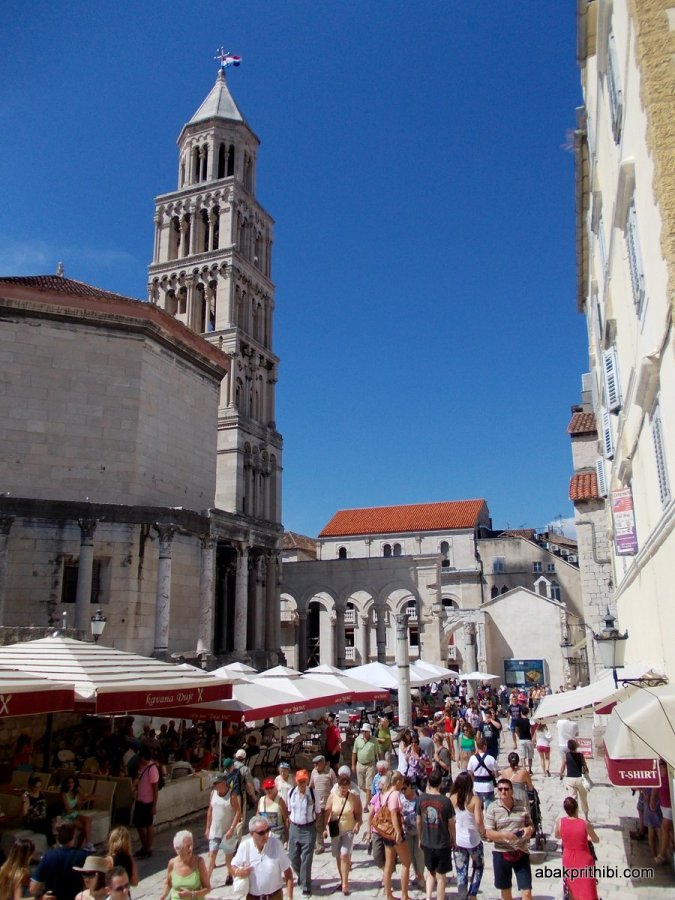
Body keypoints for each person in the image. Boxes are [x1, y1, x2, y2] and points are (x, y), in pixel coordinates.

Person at [484, 778, 534, 900]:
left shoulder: (522, 806)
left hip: (520, 850)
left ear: (512, 791)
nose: (503, 791)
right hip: (501, 853)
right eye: (500, 789)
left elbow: (530, 825)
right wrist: (504, 835)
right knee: (506, 891)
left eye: (506, 789)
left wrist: (529, 830)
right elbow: (488, 833)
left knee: (527, 891)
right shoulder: (492, 808)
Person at [230, 815, 294, 900]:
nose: (266, 835)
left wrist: (290, 897)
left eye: (267, 830)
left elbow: (288, 872)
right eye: (261, 833)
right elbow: (232, 866)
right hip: (253, 897)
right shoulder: (245, 846)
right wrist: (239, 872)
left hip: (275, 896)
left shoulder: (276, 844)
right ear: (251, 834)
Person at [416, 769, 456, 900]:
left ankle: (428, 897)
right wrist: (453, 838)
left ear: (428, 782)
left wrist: (420, 837)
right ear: (440, 783)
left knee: (430, 872)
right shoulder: (445, 801)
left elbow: (418, 821)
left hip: (427, 841)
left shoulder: (420, 799)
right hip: (442, 842)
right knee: (441, 876)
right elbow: (451, 823)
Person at [323, 772, 362, 894]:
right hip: (335, 830)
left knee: (345, 854)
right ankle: (342, 879)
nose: (344, 790)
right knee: (338, 856)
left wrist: (357, 824)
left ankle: (345, 883)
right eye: (342, 787)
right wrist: (324, 828)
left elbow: (358, 813)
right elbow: (327, 812)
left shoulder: (353, 797)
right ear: (338, 786)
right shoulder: (333, 796)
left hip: (348, 830)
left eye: (346, 787)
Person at [554, 796, 599, 900]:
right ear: (577, 808)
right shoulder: (585, 824)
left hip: (568, 858)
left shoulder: (560, 822)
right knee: (587, 889)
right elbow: (596, 839)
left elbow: (557, 835)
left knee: (571, 888)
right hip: (583, 858)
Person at [29, 821, 88, 900]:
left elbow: (33, 889)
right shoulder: (84, 856)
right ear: (74, 836)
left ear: (57, 837)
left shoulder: (48, 857)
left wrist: (41, 897)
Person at [450, 771, 485, 900]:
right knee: (479, 866)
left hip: (458, 840)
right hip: (473, 840)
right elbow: (479, 821)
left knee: (461, 870)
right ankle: (473, 894)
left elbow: (451, 820)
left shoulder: (452, 798)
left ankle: (462, 895)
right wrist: (483, 831)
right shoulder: (475, 800)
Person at [380, 770, 412, 900]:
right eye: (402, 782)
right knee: (406, 862)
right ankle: (404, 895)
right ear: (398, 782)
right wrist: (398, 832)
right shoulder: (394, 794)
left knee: (389, 864)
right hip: (394, 831)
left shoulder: (385, 793)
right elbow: (393, 813)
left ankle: (389, 894)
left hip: (386, 832)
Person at [205, 773, 241, 883]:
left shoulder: (231, 795)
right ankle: (206, 881)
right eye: (214, 784)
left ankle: (229, 875)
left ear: (224, 783)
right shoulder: (213, 794)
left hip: (227, 832)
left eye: (216, 783)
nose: (214, 786)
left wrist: (231, 829)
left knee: (228, 857)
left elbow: (238, 812)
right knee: (212, 855)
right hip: (214, 831)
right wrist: (207, 827)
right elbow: (210, 810)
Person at [287, 768, 317, 896]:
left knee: (306, 859)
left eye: (304, 781)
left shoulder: (313, 793)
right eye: (300, 781)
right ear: (296, 781)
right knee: (293, 857)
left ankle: (306, 885)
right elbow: (289, 810)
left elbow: (318, 811)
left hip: (308, 828)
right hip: (294, 827)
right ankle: (301, 875)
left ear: (307, 781)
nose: (302, 784)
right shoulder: (291, 793)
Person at [160, 829, 210, 900]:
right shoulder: (172, 863)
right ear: (178, 849)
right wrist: (163, 895)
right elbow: (168, 883)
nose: (190, 848)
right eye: (187, 846)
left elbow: (208, 888)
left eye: (191, 845)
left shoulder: (199, 862)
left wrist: (192, 894)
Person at [399, 777, 424, 889]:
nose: (403, 791)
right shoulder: (400, 797)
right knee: (411, 855)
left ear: (410, 786)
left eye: (405, 788)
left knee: (419, 854)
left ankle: (421, 876)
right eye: (401, 789)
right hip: (406, 831)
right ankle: (417, 875)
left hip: (419, 830)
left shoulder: (418, 794)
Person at [309, 755, 337, 853]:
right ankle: (320, 846)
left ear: (323, 763)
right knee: (318, 826)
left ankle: (336, 844)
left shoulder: (330, 771)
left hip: (329, 804)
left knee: (333, 824)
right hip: (318, 805)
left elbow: (335, 786)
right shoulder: (313, 772)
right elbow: (311, 786)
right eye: (314, 764)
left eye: (317, 763)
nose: (315, 765)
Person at [60, 775, 94, 850]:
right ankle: (81, 846)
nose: (70, 784)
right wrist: (75, 808)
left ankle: (87, 843)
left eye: (72, 782)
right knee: (84, 827)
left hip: (74, 813)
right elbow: (67, 810)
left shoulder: (76, 794)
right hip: (66, 815)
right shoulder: (63, 794)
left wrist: (81, 803)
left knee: (88, 820)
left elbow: (78, 808)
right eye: (68, 782)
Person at [559, 739, 590, 818]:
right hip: (580, 779)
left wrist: (561, 775)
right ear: (576, 747)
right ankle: (586, 817)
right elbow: (585, 768)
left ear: (568, 747)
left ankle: (575, 817)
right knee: (583, 799)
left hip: (570, 779)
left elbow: (562, 767)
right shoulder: (580, 755)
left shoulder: (566, 755)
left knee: (573, 800)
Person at [351, 722, 379, 808]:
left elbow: (377, 753)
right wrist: (353, 765)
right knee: (361, 785)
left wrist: (379, 764)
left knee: (369, 785)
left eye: (365, 731)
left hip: (370, 765)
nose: (364, 732)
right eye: (363, 731)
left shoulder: (374, 741)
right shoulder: (358, 739)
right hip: (360, 764)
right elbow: (354, 753)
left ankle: (366, 805)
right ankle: (371, 797)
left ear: (369, 732)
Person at [467, 735, 498, 810]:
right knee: (490, 807)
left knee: (478, 806)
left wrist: (474, 779)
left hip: (477, 785)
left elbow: (469, 772)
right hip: (488, 785)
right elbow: (496, 774)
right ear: (485, 746)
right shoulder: (491, 758)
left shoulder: (472, 758)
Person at [21, 774, 52, 844]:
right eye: (36, 787)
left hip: (43, 817)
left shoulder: (41, 793)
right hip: (33, 820)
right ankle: (52, 844)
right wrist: (23, 801)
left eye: (40, 786)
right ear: (32, 787)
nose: (38, 789)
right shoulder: (27, 795)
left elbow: (44, 806)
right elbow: (24, 813)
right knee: (46, 825)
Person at [258, 777, 289, 844]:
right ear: (264, 789)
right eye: (267, 788)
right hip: (264, 834)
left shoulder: (280, 801)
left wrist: (287, 837)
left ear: (275, 787)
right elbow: (257, 817)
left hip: (277, 834)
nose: (269, 790)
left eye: (271, 787)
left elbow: (286, 819)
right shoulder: (261, 800)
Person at [656, 758, 673, 864]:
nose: (660, 766)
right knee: (667, 829)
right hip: (663, 805)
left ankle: (662, 855)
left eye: (662, 764)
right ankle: (669, 848)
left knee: (665, 828)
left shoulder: (669, 778)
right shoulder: (660, 776)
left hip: (669, 807)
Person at [514, 709, 534, 774]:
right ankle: (530, 769)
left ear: (521, 713)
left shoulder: (518, 720)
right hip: (529, 739)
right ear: (528, 713)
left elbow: (516, 730)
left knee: (522, 756)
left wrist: (519, 736)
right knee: (530, 756)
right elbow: (532, 730)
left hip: (522, 739)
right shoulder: (529, 720)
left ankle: (524, 769)